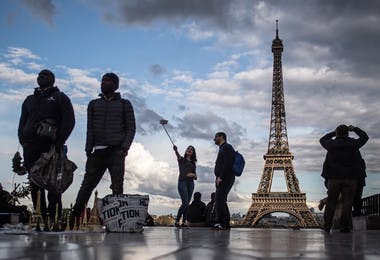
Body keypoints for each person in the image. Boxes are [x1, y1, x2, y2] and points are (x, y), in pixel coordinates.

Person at [70, 72, 136, 228]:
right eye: (102, 80)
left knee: (117, 187)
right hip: (97, 152)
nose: (103, 83)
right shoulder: (93, 104)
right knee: (86, 186)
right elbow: (90, 128)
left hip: (116, 151)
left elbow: (131, 128)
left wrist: (124, 148)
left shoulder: (124, 104)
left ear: (115, 85)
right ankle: (72, 219)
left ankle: (118, 222)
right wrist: (88, 148)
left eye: (107, 81)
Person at [18, 69, 75, 225]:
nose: (40, 77)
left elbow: (69, 121)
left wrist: (59, 142)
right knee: (34, 183)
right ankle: (40, 217)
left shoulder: (60, 98)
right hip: (30, 146)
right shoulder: (29, 100)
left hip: (50, 146)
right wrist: (23, 139)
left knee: (52, 183)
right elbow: (22, 122)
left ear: (53, 79)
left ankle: (54, 218)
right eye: (39, 75)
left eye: (45, 75)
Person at [320, 125, 368, 233]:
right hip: (350, 178)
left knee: (331, 202)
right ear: (347, 133)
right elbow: (365, 137)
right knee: (348, 203)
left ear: (337, 133)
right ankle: (344, 227)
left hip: (333, 178)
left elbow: (322, 139)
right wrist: (354, 129)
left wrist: (333, 133)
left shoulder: (331, 144)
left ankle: (327, 226)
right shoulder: (353, 144)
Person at [213, 132, 235, 230]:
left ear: (221, 137)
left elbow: (227, 163)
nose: (214, 139)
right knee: (221, 200)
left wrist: (221, 177)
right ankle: (224, 223)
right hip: (223, 177)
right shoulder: (223, 148)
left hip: (225, 177)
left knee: (219, 199)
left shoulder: (227, 147)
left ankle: (222, 223)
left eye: (215, 137)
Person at [173, 145, 197, 227]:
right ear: (186, 150)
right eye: (188, 148)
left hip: (191, 184)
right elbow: (177, 155)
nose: (189, 150)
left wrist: (193, 175)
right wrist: (176, 150)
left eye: (191, 149)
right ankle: (177, 221)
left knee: (187, 203)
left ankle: (183, 222)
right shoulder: (182, 160)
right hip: (182, 182)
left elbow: (195, 176)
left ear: (193, 153)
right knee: (185, 203)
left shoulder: (193, 163)